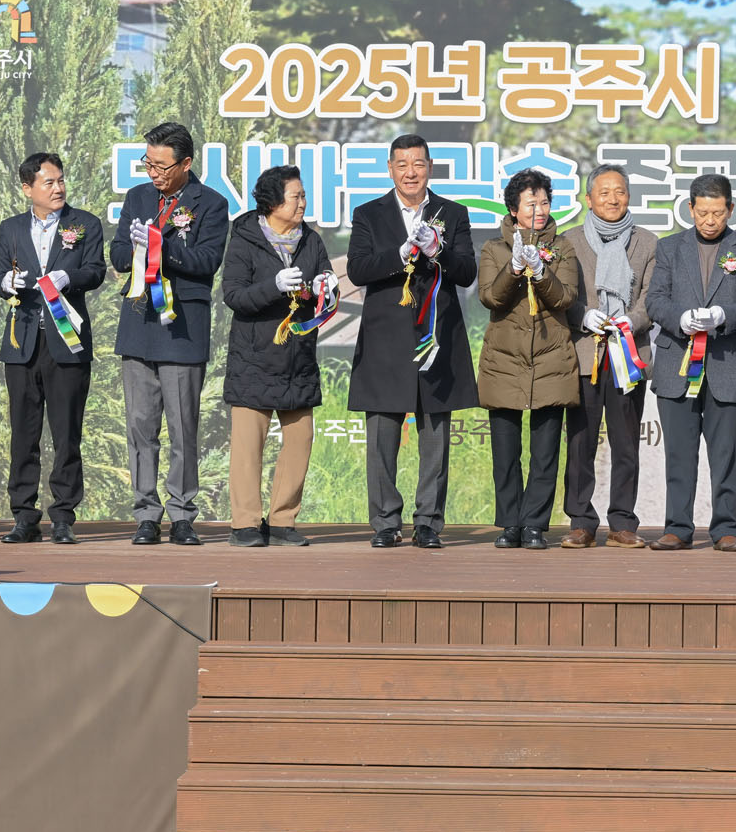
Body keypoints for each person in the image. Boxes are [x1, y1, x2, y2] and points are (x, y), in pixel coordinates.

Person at [346, 134, 479, 549]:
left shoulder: (452, 213)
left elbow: (467, 272)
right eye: (402, 164)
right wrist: (398, 254)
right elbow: (357, 269)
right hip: (385, 341)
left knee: (435, 437)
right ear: (390, 168)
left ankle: (428, 523)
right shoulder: (368, 214)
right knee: (381, 439)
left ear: (430, 167)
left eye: (418, 164)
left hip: (437, 339)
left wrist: (439, 251)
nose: (410, 172)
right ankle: (385, 522)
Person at [110, 121, 229, 546]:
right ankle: (146, 513)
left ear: (186, 163)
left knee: (182, 429)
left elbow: (207, 260)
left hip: (182, 330)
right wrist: (136, 248)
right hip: (139, 326)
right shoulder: (138, 197)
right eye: (148, 164)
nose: (154, 173)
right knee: (141, 428)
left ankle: (182, 514)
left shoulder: (211, 203)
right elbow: (117, 254)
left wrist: (162, 247)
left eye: (162, 166)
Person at [644, 172, 736, 552]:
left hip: (728, 363)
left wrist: (723, 316)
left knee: (725, 453)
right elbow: (655, 300)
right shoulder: (669, 248)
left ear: (730, 209)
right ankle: (677, 527)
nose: (710, 221)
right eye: (702, 213)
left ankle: (727, 528)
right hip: (676, 365)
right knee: (678, 454)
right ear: (690, 209)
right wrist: (679, 319)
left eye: (717, 213)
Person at [222, 165, 337, 548]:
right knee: (248, 446)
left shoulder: (311, 240)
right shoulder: (245, 239)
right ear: (272, 203)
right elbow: (234, 296)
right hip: (254, 357)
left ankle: (283, 521)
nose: (302, 203)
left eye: (303, 196)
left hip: (297, 357)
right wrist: (272, 286)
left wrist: (324, 286)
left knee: (300, 440)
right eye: (295, 197)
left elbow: (325, 279)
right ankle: (244, 524)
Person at [0, 151, 107, 546]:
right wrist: (4, 284)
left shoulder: (85, 223)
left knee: (66, 433)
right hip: (22, 342)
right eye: (49, 182)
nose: (58, 188)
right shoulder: (9, 228)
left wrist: (68, 277)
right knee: (23, 434)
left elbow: (96, 270)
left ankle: (63, 516)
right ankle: (24, 516)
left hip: (67, 342)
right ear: (28, 188)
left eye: (60, 180)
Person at [475, 168, 584, 549]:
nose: (539, 210)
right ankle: (510, 524)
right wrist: (514, 268)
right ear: (513, 209)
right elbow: (490, 297)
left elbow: (566, 298)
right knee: (505, 452)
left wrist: (540, 271)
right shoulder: (493, 249)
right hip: (504, 360)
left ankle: (535, 524)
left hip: (551, 358)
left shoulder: (563, 247)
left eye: (545, 202)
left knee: (545, 451)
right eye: (531, 203)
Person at [560, 164, 657, 548]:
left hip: (628, 355)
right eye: (604, 192)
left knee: (626, 443)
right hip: (584, 354)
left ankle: (622, 522)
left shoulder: (648, 242)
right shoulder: (569, 242)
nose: (612, 199)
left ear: (628, 196)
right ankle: (581, 521)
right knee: (580, 442)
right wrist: (583, 315)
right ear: (589, 199)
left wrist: (631, 321)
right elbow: (560, 294)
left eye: (619, 191)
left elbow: (652, 297)